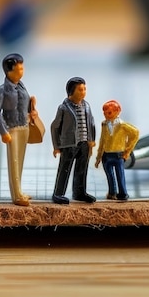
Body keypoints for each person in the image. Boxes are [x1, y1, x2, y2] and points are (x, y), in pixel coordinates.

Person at [0, 53, 39, 206]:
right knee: (14, 162)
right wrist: (3, 132)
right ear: (9, 71)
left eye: (22, 68)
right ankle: (17, 196)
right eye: (18, 69)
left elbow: (25, 106)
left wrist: (33, 111)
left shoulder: (22, 86)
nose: (21, 71)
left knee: (21, 161)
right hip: (11, 129)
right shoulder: (2, 90)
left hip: (24, 127)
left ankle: (20, 191)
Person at [50, 76, 96, 205]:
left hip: (84, 143)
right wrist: (56, 146)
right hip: (69, 144)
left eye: (85, 89)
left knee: (82, 169)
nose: (84, 92)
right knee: (65, 169)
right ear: (71, 91)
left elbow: (91, 123)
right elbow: (54, 127)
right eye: (80, 89)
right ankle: (58, 193)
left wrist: (91, 140)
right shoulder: (63, 108)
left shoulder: (86, 105)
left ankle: (79, 192)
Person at [94, 100, 139, 201]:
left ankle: (123, 193)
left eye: (109, 113)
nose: (106, 115)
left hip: (118, 154)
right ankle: (112, 192)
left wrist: (128, 150)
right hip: (106, 155)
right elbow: (102, 140)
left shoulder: (122, 125)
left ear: (118, 111)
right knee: (109, 176)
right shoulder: (104, 124)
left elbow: (135, 133)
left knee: (120, 176)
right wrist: (98, 157)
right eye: (105, 113)